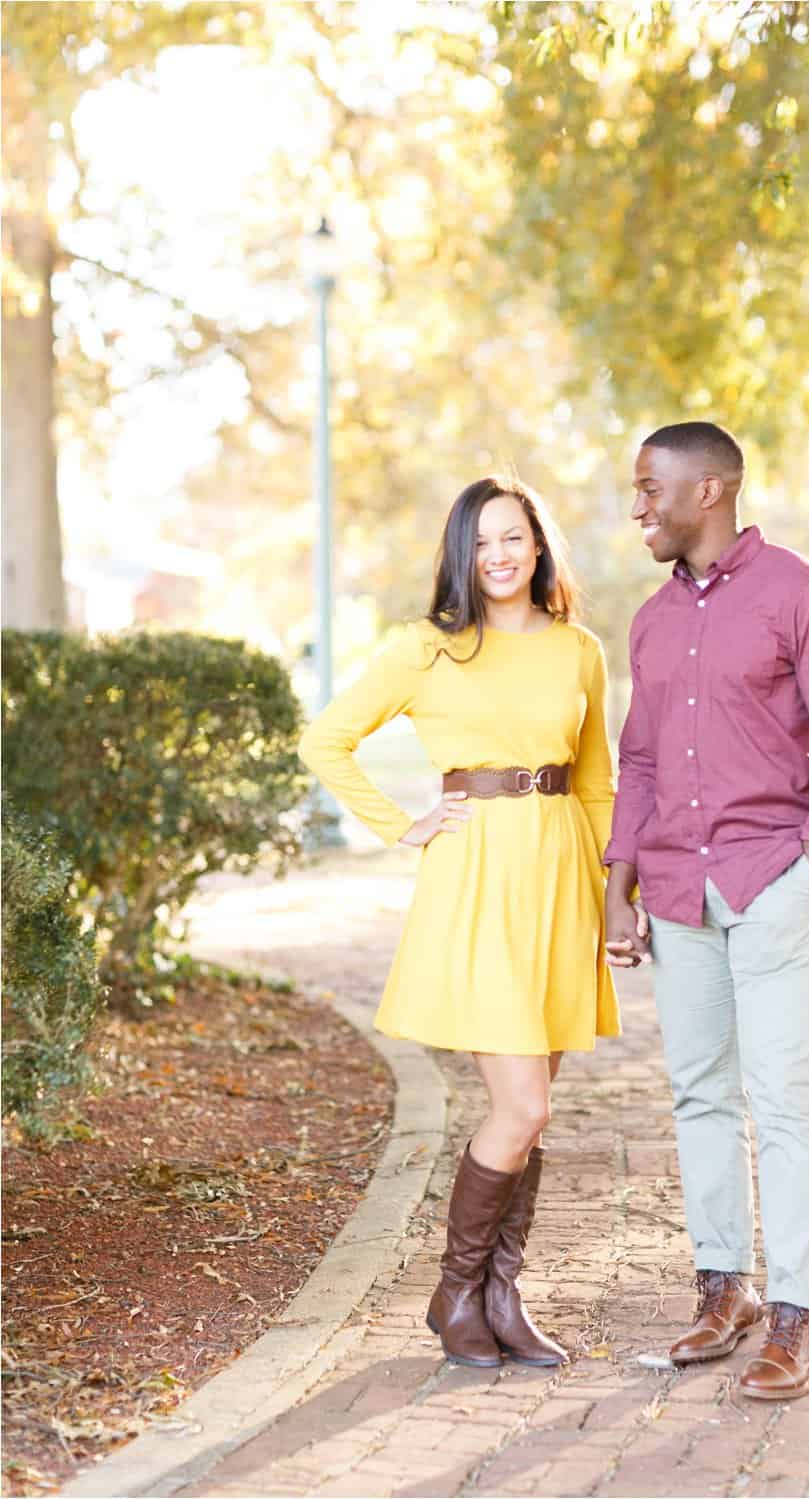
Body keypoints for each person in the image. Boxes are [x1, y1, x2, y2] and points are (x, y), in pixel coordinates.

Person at [299, 475, 620, 1370]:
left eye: (514, 537)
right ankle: (454, 1291)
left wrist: (609, 896)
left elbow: (596, 782)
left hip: (560, 875)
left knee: (535, 1114)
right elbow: (325, 739)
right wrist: (401, 823)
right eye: (482, 543)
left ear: (539, 542)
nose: (500, 556)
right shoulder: (427, 649)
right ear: (460, 556)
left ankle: (499, 1300)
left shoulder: (578, 649)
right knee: (522, 1105)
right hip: (477, 875)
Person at [603, 421, 809, 1401]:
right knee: (698, 1093)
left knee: (781, 1096)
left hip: (773, 882)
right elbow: (637, 759)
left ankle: (797, 1314)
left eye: (649, 489)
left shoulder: (805, 596)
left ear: (708, 491)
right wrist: (619, 887)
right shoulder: (648, 619)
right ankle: (726, 1289)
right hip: (679, 892)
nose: (636, 506)